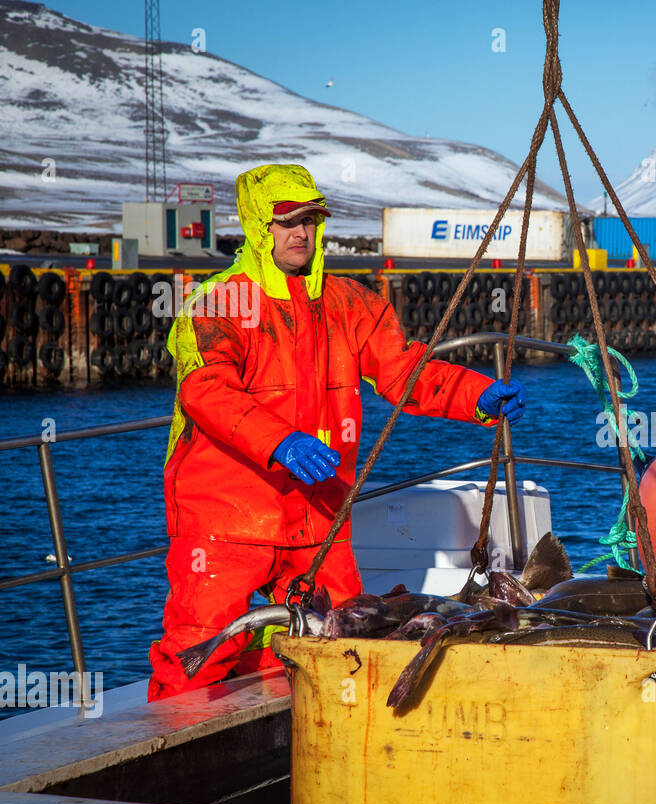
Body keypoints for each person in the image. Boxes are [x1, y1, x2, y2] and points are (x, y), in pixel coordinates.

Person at [148, 163, 524, 701]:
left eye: (311, 221)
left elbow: (401, 371)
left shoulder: (351, 304)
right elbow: (206, 391)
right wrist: (279, 441)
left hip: (318, 514)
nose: (301, 233)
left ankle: (311, 756)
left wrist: (476, 395)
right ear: (260, 227)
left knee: (341, 641)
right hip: (226, 519)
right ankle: (171, 770)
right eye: (287, 222)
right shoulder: (215, 305)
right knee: (198, 652)